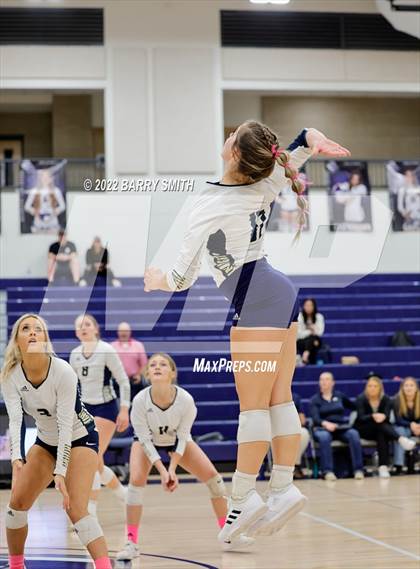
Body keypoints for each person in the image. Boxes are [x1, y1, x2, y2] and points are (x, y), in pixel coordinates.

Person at [142, 121, 351, 548]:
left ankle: (242, 497)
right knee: (280, 399)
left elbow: (182, 277)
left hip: (257, 297)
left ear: (235, 152)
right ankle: (282, 487)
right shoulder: (263, 183)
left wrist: (156, 280)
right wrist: (311, 138)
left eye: (232, 134)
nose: (227, 136)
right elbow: (293, 152)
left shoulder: (212, 201)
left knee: (253, 408)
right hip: (279, 292)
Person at [0, 314, 113, 569]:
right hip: (46, 440)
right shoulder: (10, 375)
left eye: (38, 329)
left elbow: (65, 426)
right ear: (16, 340)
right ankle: (17, 566)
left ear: (45, 339)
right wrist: (17, 460)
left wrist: (60, 471)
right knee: (16, 506)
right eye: (25, 328)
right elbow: (15, 421)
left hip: (80, 437)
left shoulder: (62, 371)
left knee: (76, 510)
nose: (32, 332)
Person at [117, 352, 251, 561]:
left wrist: (172, 469)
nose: (157, 367)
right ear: (147, 374)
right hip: (148, 442)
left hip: (177, 440)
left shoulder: (185, 400)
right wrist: (163, 472)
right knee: (135, 482)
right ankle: (131, 543)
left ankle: (228, 535)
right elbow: (144, 440)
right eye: (153, 365)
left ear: (173, 373)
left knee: (215, 481)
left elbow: (182, 437)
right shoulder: (140, 400)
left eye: (163, 364)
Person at [70, 313, 131, 516]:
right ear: (76, 332)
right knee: (97, 462)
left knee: (91, 457)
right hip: (85, 409)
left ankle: (91, 511)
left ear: (96, 329)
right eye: (79, 326)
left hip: (106, 408)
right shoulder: (75, 354)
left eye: (87, 324)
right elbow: (73, 386)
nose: (83, 328)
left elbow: (123, 381)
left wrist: (124, 409)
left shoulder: (106, 350)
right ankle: (123, 494)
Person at [354, 374, 416, 478]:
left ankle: (383, 467)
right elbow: (361, 417)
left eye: (375, 386)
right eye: (370, 386)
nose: (372, 388)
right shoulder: (361, 398)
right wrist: (373, 416)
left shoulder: (386, 399)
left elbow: (387, 417)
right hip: (364, 429)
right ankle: (400, 439)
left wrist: (383, 417)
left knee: (381, 432)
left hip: (380, 429)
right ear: (366, 387)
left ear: (380, 388)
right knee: (381, 427)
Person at [310, 372, 364, 480]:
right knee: (324, 437)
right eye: (321, 379)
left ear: (333, 382)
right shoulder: (315, 399)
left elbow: (354, 407)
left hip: (340, 427)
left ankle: (358, 470)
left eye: (327, 379)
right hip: (322, 428)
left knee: (353, 434)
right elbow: (315, 419)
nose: (324, 382)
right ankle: (328, 471)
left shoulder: (339, 396)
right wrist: (326, 424)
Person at [111, 322, 148, 400]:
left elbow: (144, 364)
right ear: (118, 332)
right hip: (117, 381)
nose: (123, 333)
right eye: (121, 331)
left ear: (130, 332)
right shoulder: (112, 346)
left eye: (126, 331)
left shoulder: (138, 345)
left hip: (134, 381)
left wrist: (139, 375)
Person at [23, 167, 66, 234]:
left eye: (47, 177)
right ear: (40, 178)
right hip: (38, 225)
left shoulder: (56, 191)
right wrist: (34, 211)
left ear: (51, 179)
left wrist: (56, 211)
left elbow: (63, 206)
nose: (45, 179)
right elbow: (26, 207)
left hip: (53, 224)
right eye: (43, 177)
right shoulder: (34, 191)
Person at [393, 376, 420, 474]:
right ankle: (398, 465)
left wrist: (418, 427)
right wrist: (411, 424)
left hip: (418, 428)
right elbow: (398, 420)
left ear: (416, 388)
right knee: (400, 432)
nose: (409, 388)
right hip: (404, 427)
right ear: (402, 388)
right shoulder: (397, 399)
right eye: (406, 385)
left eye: (411, 385)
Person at [297, 298, 325, 365]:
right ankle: (307, 357)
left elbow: (320, 333)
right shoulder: (300, 317)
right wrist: (310, 331)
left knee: (314, 339)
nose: (308, 307)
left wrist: (311, 332)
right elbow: (299, 334)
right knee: (314, 341)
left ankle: (305, 355)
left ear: (314, 306)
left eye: (310, 305)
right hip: (301, 342)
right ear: (303, 306)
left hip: (315, 340)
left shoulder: (319, 317)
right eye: (307, 305)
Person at [292, 392, 310, 479]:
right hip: (275, 427)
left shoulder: (295, 397)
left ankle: (296, 465)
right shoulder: (268, 393)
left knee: (304, 433)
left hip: (292, 426)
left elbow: (302, 421)